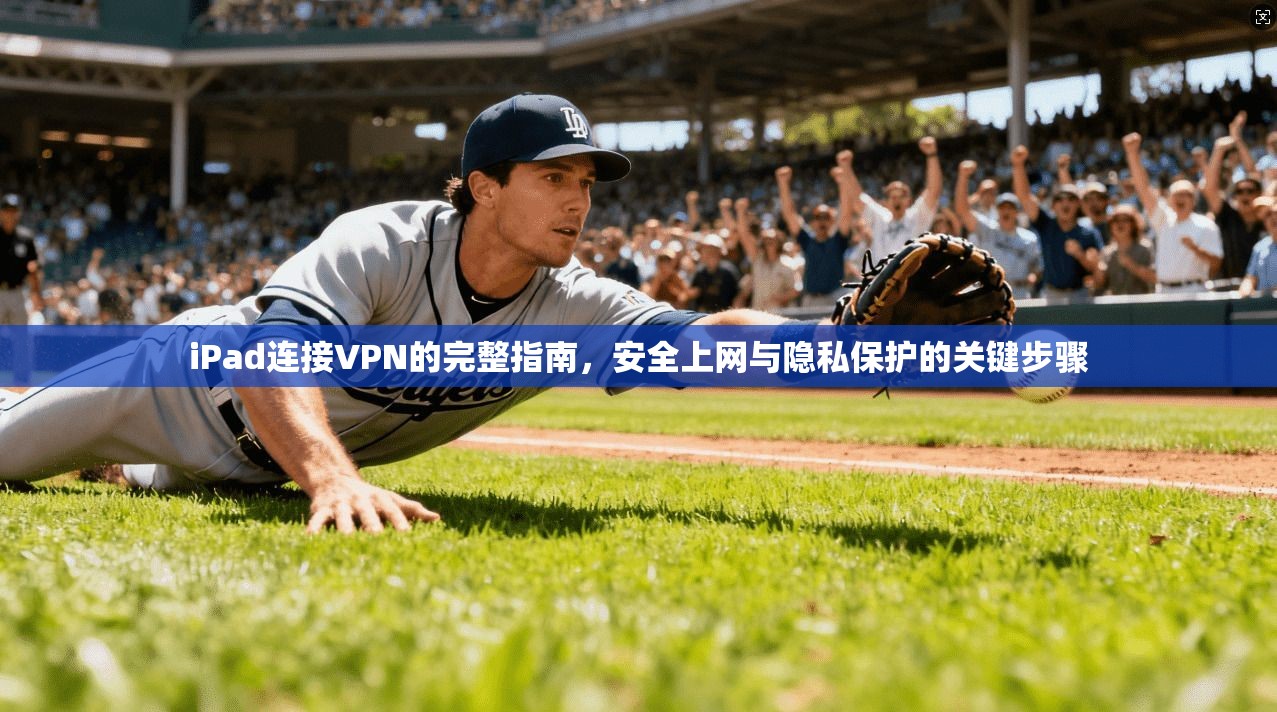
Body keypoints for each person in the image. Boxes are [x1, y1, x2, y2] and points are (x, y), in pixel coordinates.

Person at [0, 94, 796, 534]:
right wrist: (331, 481)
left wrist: (833, 344)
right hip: (175, 387)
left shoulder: (572, 301)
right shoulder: (385, 241)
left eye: (585, 184)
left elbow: (704, 339)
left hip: (260, 465)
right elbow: (267, 355)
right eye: (553, 179)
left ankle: (119, 467)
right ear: (485, 187)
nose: (579, 203)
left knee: (158, 485)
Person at [1123, 133, 1222, 294]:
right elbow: (1144, 189)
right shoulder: (1163, 219)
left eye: (1186, 194)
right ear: (1169, 199)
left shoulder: (1206, 224)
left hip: (1195, 290)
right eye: (1176, 194)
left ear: (1194, 201)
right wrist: (1132, 154)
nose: (1180, 198)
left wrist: (1196, 249)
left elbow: (1216, 263)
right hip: (1164, 292)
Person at [1010, 145, 1102, 303]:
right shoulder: (1046, 224)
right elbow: (1024, 197)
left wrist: (1080, 255)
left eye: (1071, 199)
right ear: (1053, 205)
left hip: (1080, 295)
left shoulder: (1088, 231)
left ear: (1078, 205)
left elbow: (1096, 269)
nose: (1065, 203)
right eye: (1060, 199)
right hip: (1051, 295)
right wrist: (1018, 165)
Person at [774, 150, 858, 308]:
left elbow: (846, 211)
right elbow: (789, 214)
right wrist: (783, 183)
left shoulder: (838, 240)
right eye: (818, 217)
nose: (822, 221)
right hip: (811, 300)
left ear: (832, 221)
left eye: (826, 217)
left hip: (835, 298)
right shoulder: (807, 241)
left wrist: (842, 181)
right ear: (812, 222)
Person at [953, 161, 1040, 295]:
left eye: (1010, 208)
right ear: (997, 210)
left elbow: (1037, 266)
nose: (1006, 211)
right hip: (992, 291)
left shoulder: (1029, 238)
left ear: (1017, 212)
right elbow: (962, 210)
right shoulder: (987, 230)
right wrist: (963, 177)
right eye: (1002, 207)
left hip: (1021, 291)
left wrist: (1034, 275)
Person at [845, 138, 943, 258]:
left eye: (902, 196)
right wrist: (846, 167)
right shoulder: (879, 219)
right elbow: (858, 199)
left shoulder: (917, 217)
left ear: (909, 201)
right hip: (882, 270)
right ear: (886, 202)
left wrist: (931, 155)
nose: (897, 200)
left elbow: (933, 191)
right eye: (893, 196)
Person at [1204, 135, 1263, 283]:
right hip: (1229, 287)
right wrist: (1218, 150)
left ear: (1259, 194)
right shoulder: (1228, 215)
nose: (1245, 195)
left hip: (1263, 289)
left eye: (1250, 191)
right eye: (1240, 191)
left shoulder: (1268, 218)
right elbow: (1210, 189)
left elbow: (1254, 173)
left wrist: (1239, 141)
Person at [731, 198, 798, 312]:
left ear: (779, 242)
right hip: (759, 313)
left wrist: (779, 299)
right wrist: (740, 212)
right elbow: (744, 235)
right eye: (766, 240)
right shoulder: (757, 259)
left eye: (772, 240)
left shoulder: (789, 264)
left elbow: (796, 290)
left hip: (780, 314)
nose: (769, 242)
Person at [1092, 205, 1156, 296]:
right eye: (1116, 220)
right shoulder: (1106, 252)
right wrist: (1095, 266)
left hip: (1140, 302)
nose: (1120, 224)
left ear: (1134, 224)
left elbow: (1154, 278)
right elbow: (1098, 285)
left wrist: (1131, 265)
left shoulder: (1145, 248)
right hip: (1116, 303)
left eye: (1125, 220)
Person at [0, 194, 42, 325]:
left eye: (14, 211)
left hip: (17, 293)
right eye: (7, 210)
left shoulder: (25, 237)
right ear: (1, 212)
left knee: (20, 334)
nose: (10, 214)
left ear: (19, 213)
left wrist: (35, 292)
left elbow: (32, 267)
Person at [686, 234, 740, 313]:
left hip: (725, 315)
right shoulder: (700, 272)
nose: (707, 253)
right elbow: (693, 294)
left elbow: (737, 297)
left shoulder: (728, 272)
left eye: (712, 250)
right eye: (705, 250)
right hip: (705, 315)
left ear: (719, 252)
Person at [1239, 197, 1277, 297]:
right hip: (1264, 304)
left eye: (1276, 213)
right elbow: (1251, 277)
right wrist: (1246, 288)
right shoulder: (1260, 247)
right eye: (1268, 215)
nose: (1273, 218)